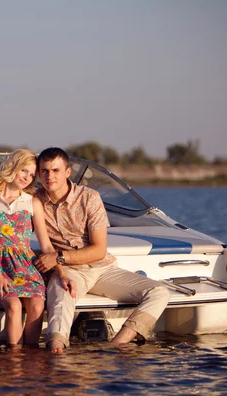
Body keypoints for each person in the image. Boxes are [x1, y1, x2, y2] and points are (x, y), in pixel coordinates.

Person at [34, 147, 171, 354]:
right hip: (68, 271)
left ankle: (116, 346)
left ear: (67, 173)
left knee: (159, 292)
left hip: (101, 269)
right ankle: (57, 354)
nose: (49, 176)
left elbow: (99, 250)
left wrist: (58, 257)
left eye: (55, 171)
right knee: (61, 298)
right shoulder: (35, 201)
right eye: (44, 171)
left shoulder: (89, 198)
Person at [0, 149, 76, 347]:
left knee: (37, 304)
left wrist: (62, 273)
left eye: (32, 174)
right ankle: (14, 362)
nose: (28, 177)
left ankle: (31, 360)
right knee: (14, 305)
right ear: (12, 167)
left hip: (26, 267)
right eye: (24, 170)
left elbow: (46, 244)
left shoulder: (32, 202)